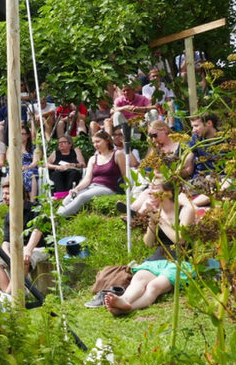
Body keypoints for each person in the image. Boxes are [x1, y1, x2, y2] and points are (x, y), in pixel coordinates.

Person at [105, 179, 196, 316]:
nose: (150, 191)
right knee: (139, 279)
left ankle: (126, 308)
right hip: (158, 258)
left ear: (169, 191)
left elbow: (180, 241)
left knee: (154, 286)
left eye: (155, 187)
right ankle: (124, 300)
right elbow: (148, 243)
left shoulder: (184, 211)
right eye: (150, 187)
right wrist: (152, 222)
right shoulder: (156, 211)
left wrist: (159, 220)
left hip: (180, 260)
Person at [0, 180, 49, 295]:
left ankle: (8, 297)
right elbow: (5, 242)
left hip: (39, 248)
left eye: (7, 194)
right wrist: (7, 255)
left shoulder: (36, 208)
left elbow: (38, 230)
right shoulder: (8, 216)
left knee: (22, 259)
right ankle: (10, 295)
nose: (4, 197)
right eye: (3, 194)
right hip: (18, 249)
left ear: (17, 193)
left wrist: (28, 249)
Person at [57, 131, 127, 217]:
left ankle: (57, 217)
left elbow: (125, 175)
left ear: (107, 140)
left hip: (108, 188)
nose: (95, 145)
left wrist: (129, 191)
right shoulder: (93, 158)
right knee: (68, 198)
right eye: (93, 142)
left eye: (98, 141)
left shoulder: (118, 154)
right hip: (91, 186)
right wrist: (76, 189)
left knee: (82, 197)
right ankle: (55, 218)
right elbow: (87, 179)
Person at [19, 126, 40, 200]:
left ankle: (32, 201)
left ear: (28, 135)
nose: (20, 136)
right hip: (17, 168)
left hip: (30, 167)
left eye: (22, 134)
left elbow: (35, 161)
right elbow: (10, 161)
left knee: (30, 174)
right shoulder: (13, 148)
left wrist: (28, 167)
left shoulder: (34, 148)